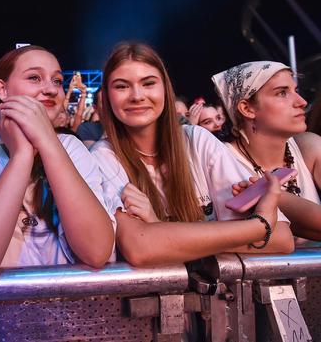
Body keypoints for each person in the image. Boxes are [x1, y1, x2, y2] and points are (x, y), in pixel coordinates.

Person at [90, 42, 293, 267]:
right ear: (107, 97)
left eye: (148, 83)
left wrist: (159, 230)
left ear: (165, 89)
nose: (137, 96)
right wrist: (257, 227)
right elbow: (140, 248)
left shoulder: (196, 140)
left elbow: (282, 238)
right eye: (121, 86)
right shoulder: (102, 157)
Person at [0, 45, 116, 295]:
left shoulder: (71, 148)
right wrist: (21, 156)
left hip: (72, 320)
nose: (51, 89)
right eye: (34, 77)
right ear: (2, 89)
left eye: (57, 80)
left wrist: (49, 143)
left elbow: (96, 251)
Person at [213, 61, 321, 243]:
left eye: (296, 90)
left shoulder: (308, 147)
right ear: (247, 108)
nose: (301, 102)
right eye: (282, 93)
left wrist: (268, 195)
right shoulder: (222, 160)